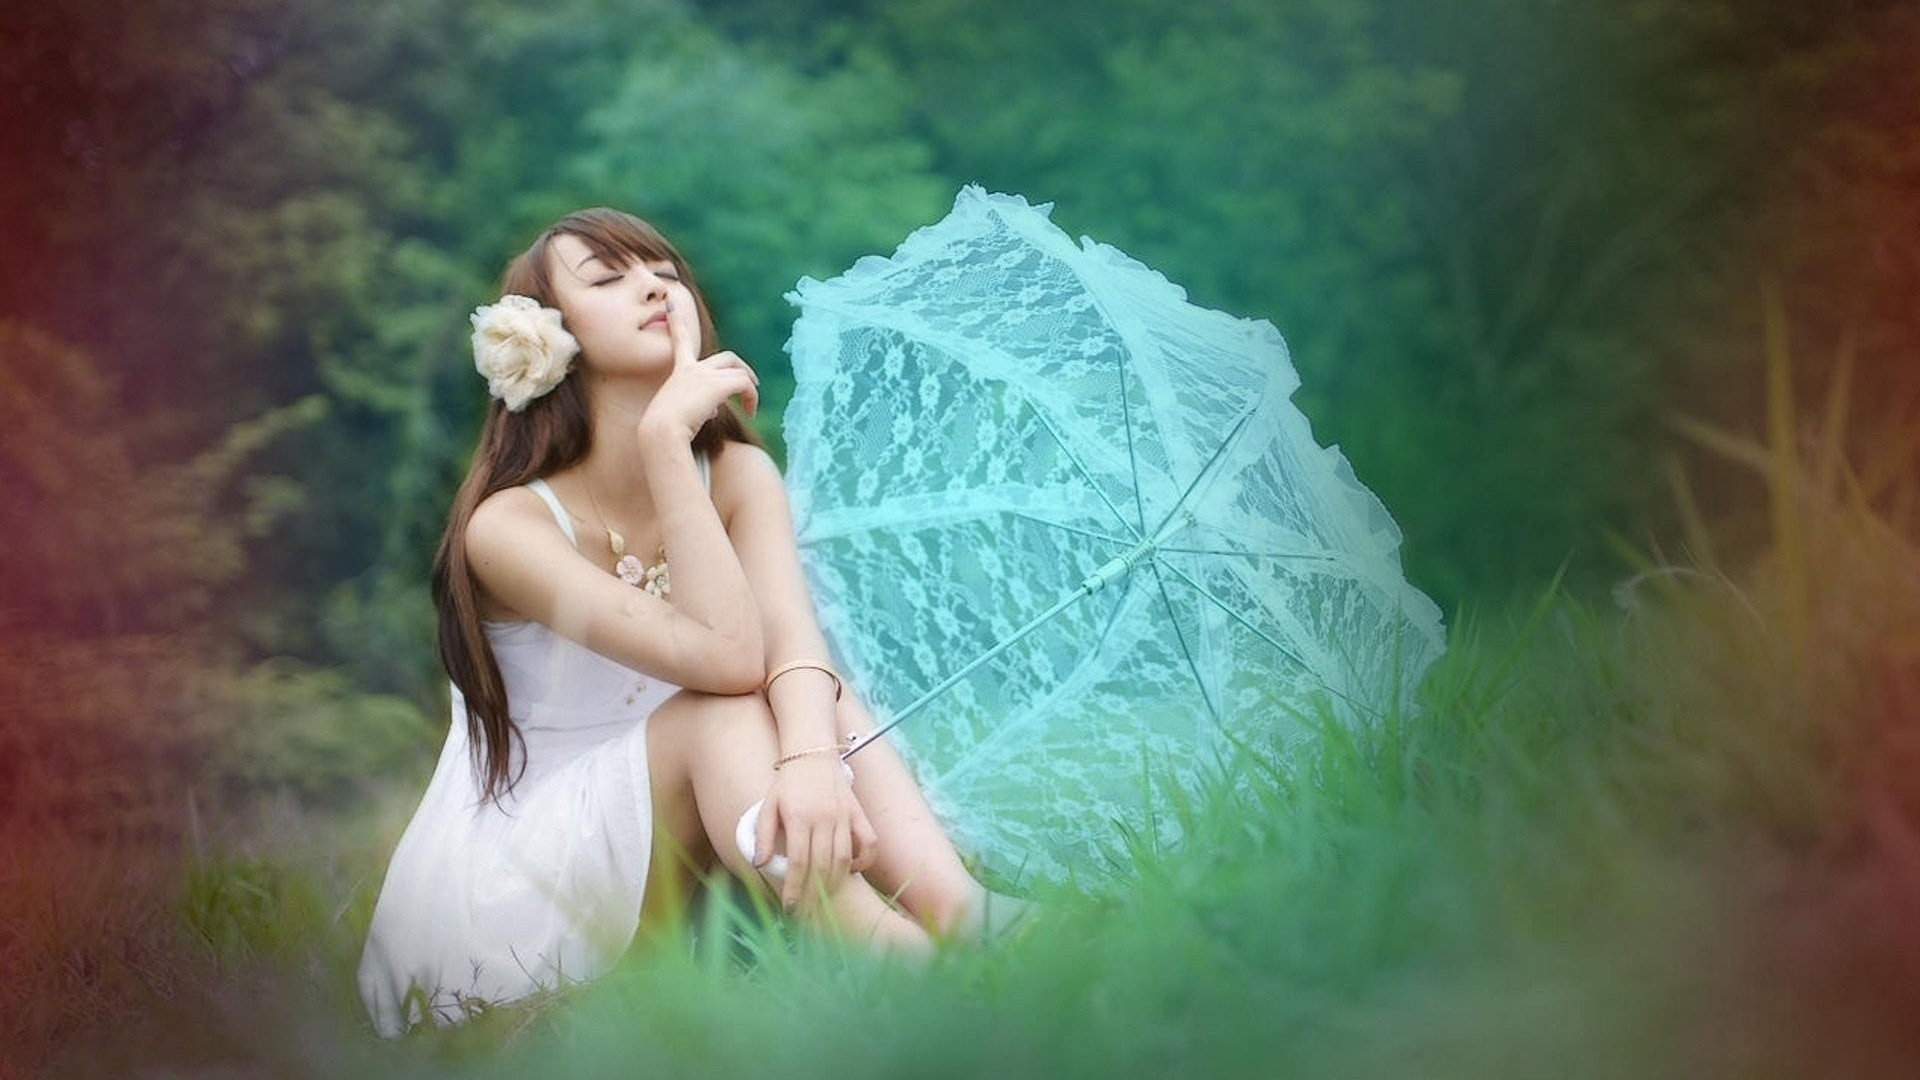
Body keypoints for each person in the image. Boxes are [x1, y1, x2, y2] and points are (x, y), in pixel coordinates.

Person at [356, 208, 1007, 1037]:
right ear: (551, 337)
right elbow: (731, 661)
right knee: (721, 709)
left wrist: (811, 764)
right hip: (521, 883)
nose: (653, 286)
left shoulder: (737, 473)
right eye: (609, 277)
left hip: (682, 850)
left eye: (664, 271)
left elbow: (790, 644)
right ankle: (891, 960)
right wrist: (666, 437)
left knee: (816, 691)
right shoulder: (507, 527)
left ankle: (967, 919)